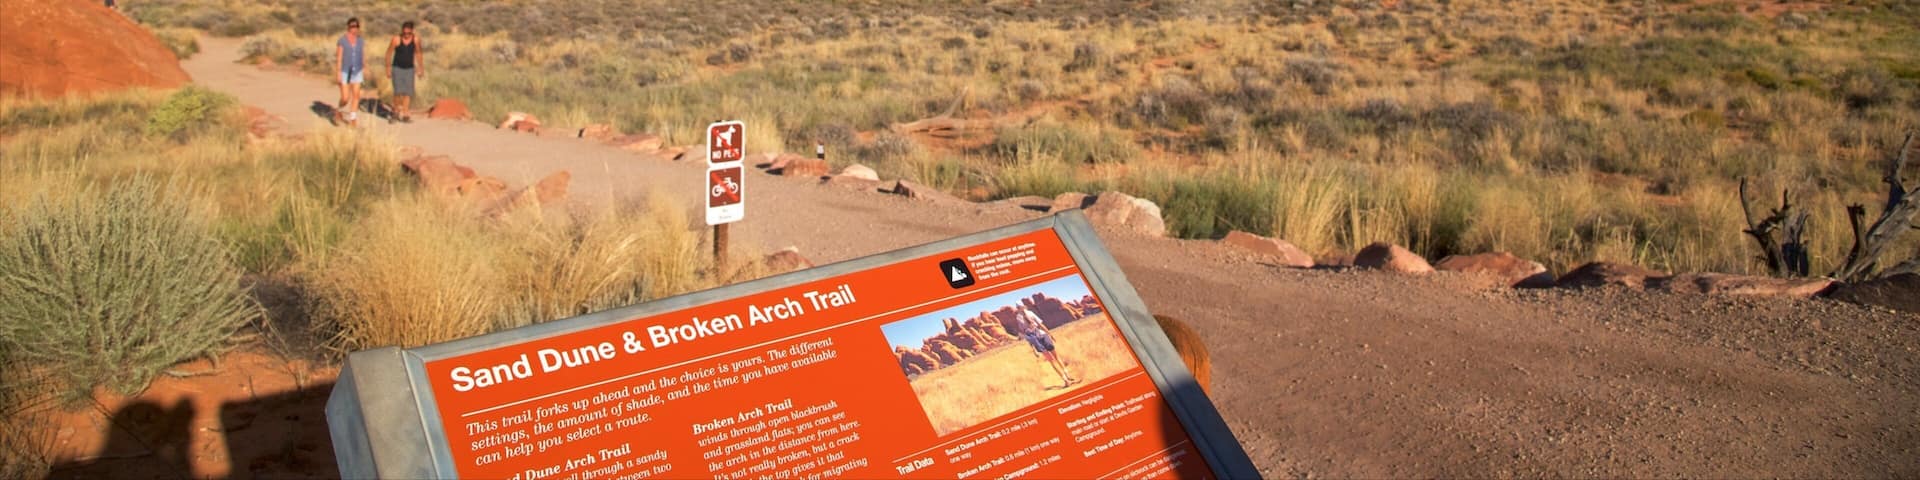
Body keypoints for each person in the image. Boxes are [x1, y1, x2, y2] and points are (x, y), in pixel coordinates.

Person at [1018, 305, 1077, 387]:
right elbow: (1040, 325)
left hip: (1036, 339)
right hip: (1041, 336)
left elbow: (1026, 334)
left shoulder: (1019, 318)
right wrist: (1050, 334)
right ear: (1024, 307)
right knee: (1056, 357)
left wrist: (1033, 348)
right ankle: (1067, 377)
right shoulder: (1027, 314)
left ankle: (1066, 379)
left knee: (1052, 360)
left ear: (1018, 309)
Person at [385, 21, 425, 123]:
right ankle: (396, 112)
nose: (406, 35)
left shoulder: (416, 40)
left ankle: (406, 113)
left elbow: (418, 53)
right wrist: (388, 68)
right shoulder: (396, 39)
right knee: (398, 92)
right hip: (397, 68)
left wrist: (421, 68)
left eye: (408, 33)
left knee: (408, 92)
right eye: (404, 33)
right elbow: (389, 53)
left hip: (409, 69)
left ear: (412, 31)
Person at [334, 18, 367, 126]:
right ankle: (338, 110)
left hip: (357, 70)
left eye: (356, 26)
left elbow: (362, 55)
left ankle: (353, 119)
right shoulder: (342, 41)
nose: (354, 28)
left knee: (356, 95)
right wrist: (338, 73)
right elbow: (339, 58)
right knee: (345, 97)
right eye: (352, 26)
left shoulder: (360, 40)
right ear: (348, 27)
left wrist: (364, 67)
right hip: (345, 71)